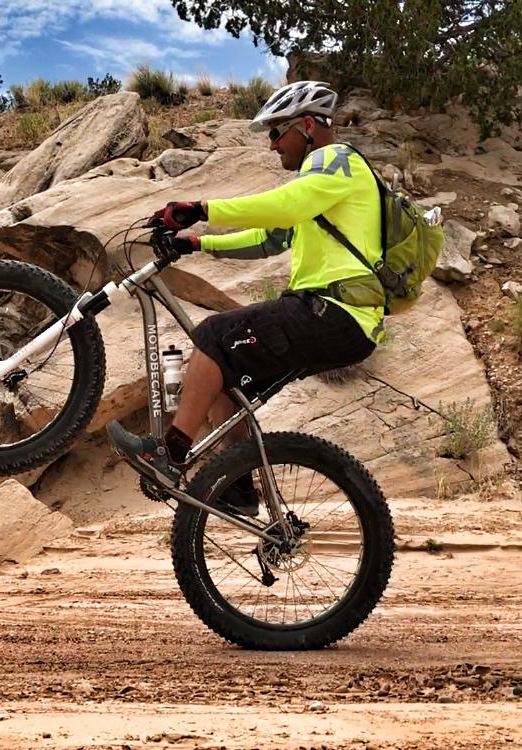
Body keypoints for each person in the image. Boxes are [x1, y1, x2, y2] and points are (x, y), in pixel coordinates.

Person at [106, 80, 387, 515]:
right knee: (222, 376)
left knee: (213, 335)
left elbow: (286, 206)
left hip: (334, 311)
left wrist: (201, 208)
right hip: (335, 319)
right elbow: (269, 239)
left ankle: (169, 454)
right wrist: (197, 244)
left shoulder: (335, 160)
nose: (273, 146)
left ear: (308, 125)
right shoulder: (322, 191)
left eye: (277, 132)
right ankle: (236, 483)